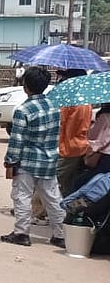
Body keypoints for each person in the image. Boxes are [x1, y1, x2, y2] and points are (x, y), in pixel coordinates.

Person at [1, 67, 65, 248]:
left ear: (25, 86)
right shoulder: (54, 108)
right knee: (53, 198)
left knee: (22, 196)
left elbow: (16, 140)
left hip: (27, 162)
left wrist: (10, 160)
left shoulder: (23, 110)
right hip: (49, 161)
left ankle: (21, 233)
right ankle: (60, 234)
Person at [56, 69, 92, 197]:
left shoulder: (69, 101)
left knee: (53, 181)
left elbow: (60, 124)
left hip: (67, 147)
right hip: (80, 146)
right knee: (68, 182)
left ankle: (38, 209)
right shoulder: (86, 101)